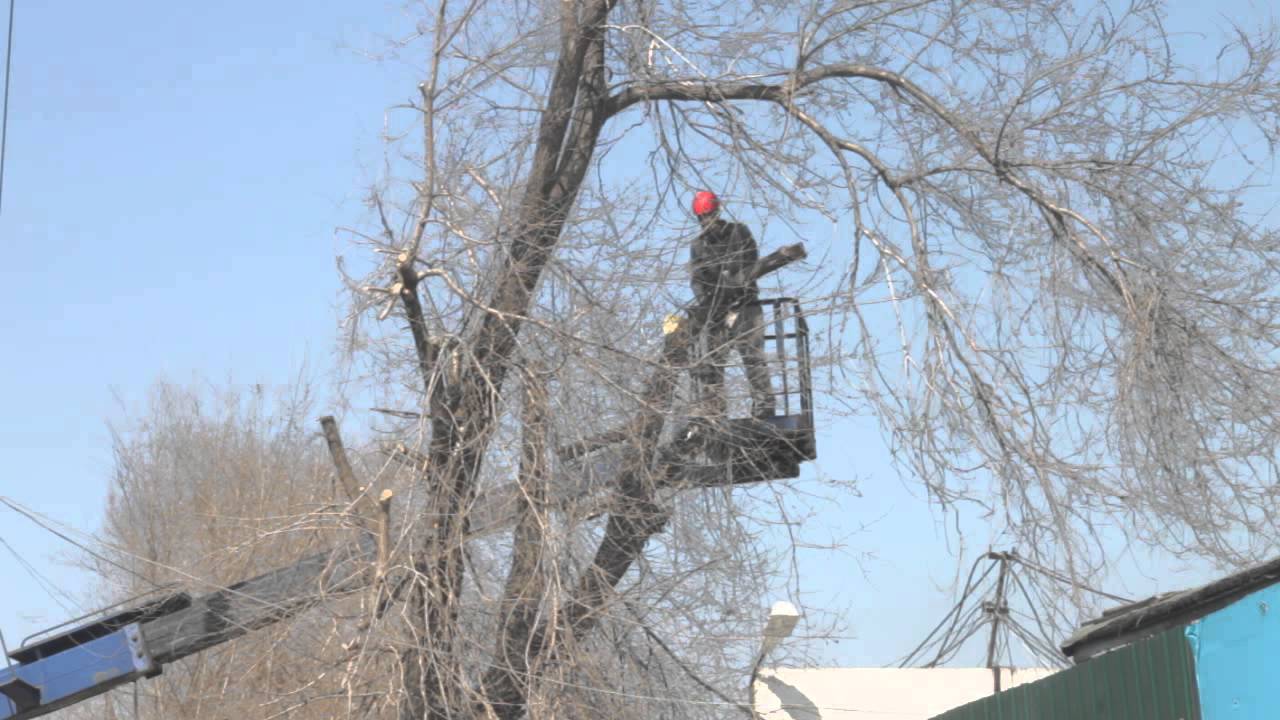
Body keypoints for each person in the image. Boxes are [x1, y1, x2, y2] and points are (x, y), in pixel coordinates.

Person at [688, 190, 776, 423]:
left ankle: (764, 405)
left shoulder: (739, 232)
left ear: (717, 212)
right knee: (713, 361)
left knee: (753, 356)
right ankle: (715, 410)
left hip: (746, 306)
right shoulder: (698, 245)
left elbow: (750, 262)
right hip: (718, 312)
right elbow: (697, 279)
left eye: (709, 216)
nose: (707, 221)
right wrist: (706, 303)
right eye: (702, 217)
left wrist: (730, 279)